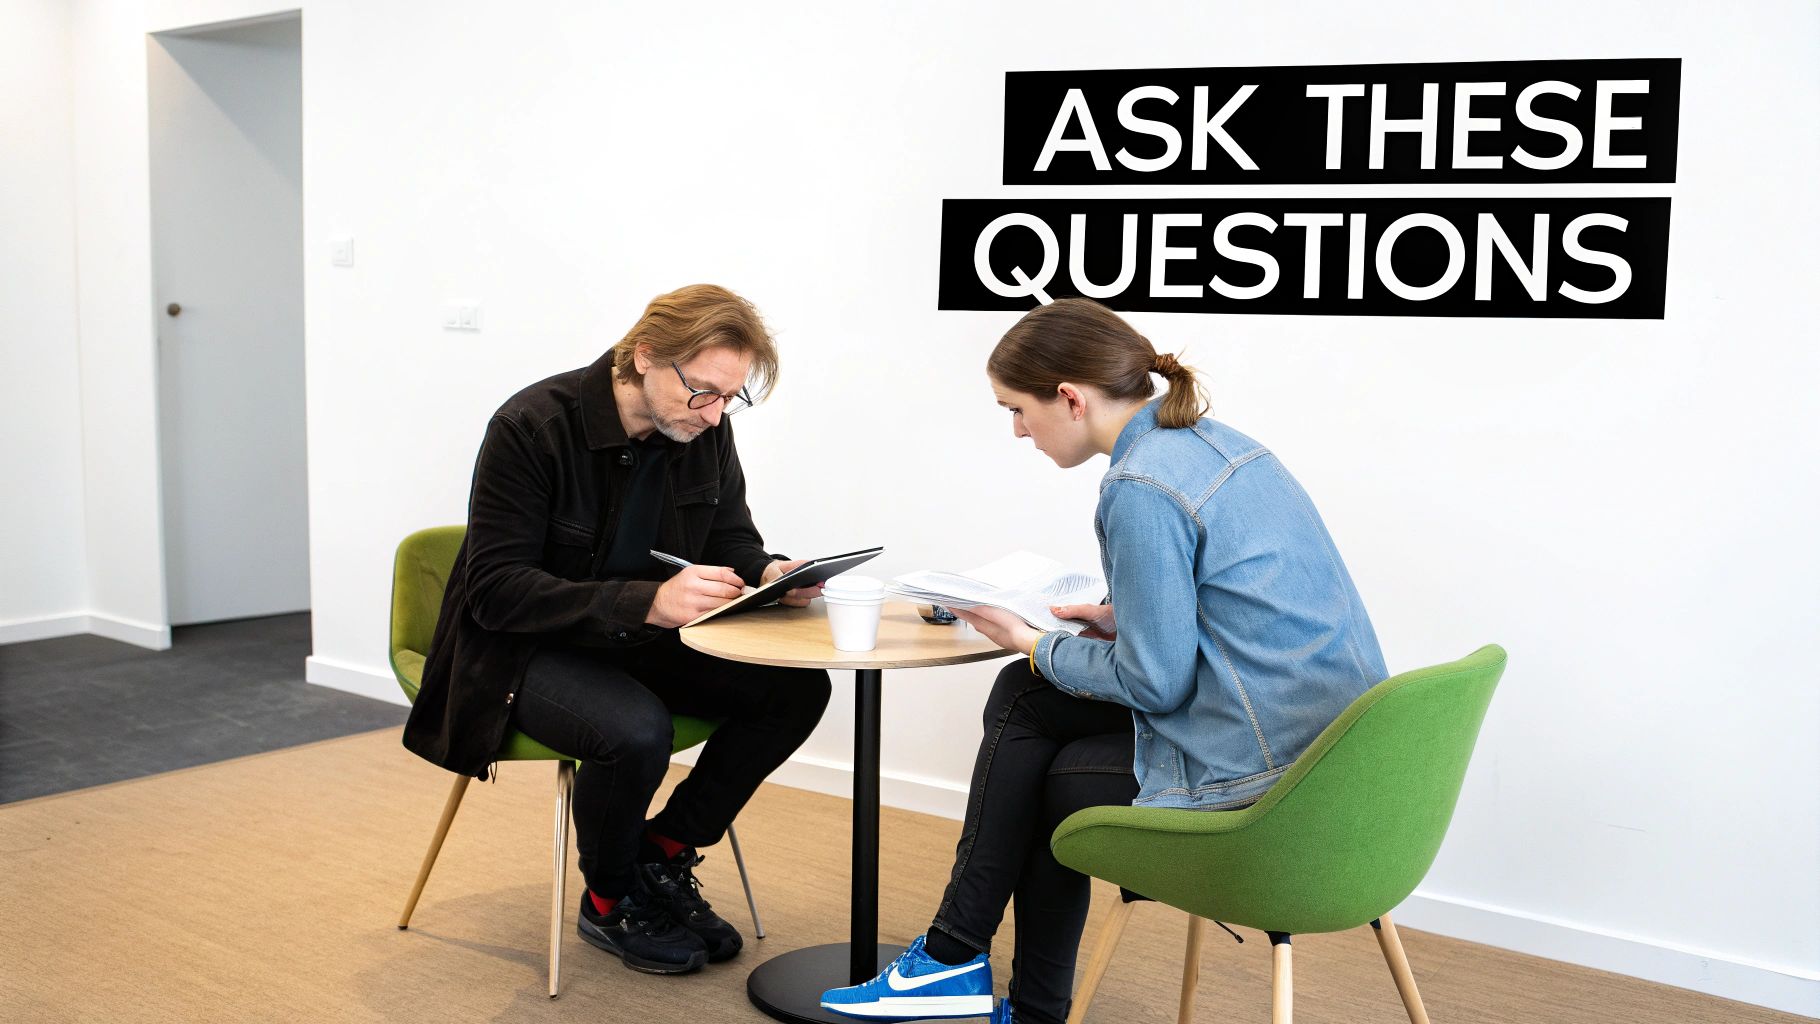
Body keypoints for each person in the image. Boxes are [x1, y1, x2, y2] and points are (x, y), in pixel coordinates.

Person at [820, 298, 1387, 1023]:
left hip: (1267, 774)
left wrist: (1029, 638)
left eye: (1017, 410)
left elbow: (1156, 681)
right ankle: (964, 968)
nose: (1018, 431)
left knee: (1042, 762)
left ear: (1070, 398)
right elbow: (1255, 603)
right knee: (1023, 698)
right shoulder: (1218, 443)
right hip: (1330, 746)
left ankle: (969, 971)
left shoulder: (1139, 486)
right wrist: (1127, 619)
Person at [403, 284, 832, 976]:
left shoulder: (703, 430)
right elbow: (495, 590)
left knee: (795, 691)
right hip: (519, 647)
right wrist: (648, 604)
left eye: (732, 396)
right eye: (705, 392)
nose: (718, 412)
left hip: (636, 634)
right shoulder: (532, 426)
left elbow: (727, 536)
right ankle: (608, 899)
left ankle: (659, 854)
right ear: (646, 357)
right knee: (633, 732)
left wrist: (768, 572)